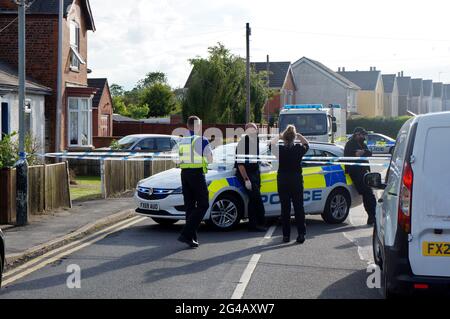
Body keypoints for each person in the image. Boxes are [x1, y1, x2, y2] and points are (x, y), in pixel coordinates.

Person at [177, 116, 213, 248]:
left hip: (184, 174)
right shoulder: (201, 140)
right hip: (196, 174)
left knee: (190, 207)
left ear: (187, 126)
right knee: (204, 204)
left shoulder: (182, 140)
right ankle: (186, 234)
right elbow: (210, 159)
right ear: (198, 126)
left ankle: (191, 238)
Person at [271, 125, 310, 244]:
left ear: (284, 138)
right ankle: (301, 234)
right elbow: (307, 144)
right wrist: (298, 135)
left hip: (283, 181)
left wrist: (279, 136)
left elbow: (270, 144)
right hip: (296, 181)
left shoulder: (280, 150)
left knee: (285, 209)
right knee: (299, 208)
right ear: (294, 138)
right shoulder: (298, 148)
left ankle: (286, 236)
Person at [235, 123, 267, 232]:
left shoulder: (256, 141)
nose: (253, 132)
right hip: (247, 175)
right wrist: (246, 179)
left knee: (254, 200)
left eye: (255, 130)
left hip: (255, 175)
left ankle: (256, 224)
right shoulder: (243, 143)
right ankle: (254, 225)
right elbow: (240, 164)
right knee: (255, 199)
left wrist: (262, 163)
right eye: (251, 130)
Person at [344, 127, 376, 225]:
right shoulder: (350, 144)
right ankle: (372, 216)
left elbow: (369, 153)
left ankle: (373, 216)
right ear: (357, 134)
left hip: (364, 172)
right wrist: (361, 152)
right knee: (368, 193)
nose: (364, 137)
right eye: (362, 135)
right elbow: (356, 154)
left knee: (369, 194)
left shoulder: (362, 144)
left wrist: (362, 152)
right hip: (356, 172)